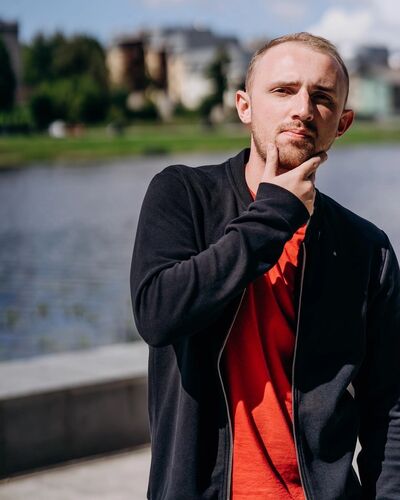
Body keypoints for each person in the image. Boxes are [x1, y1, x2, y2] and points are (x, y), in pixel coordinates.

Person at [130, 32, 400, 499]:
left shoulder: (366, 248)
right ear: (245, 106)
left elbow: (390, 405)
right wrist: (274, 214)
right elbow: (158, 314)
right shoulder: (183, 195)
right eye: (283, 90)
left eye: (322, 97)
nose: (302, 109)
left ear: (343, 123)